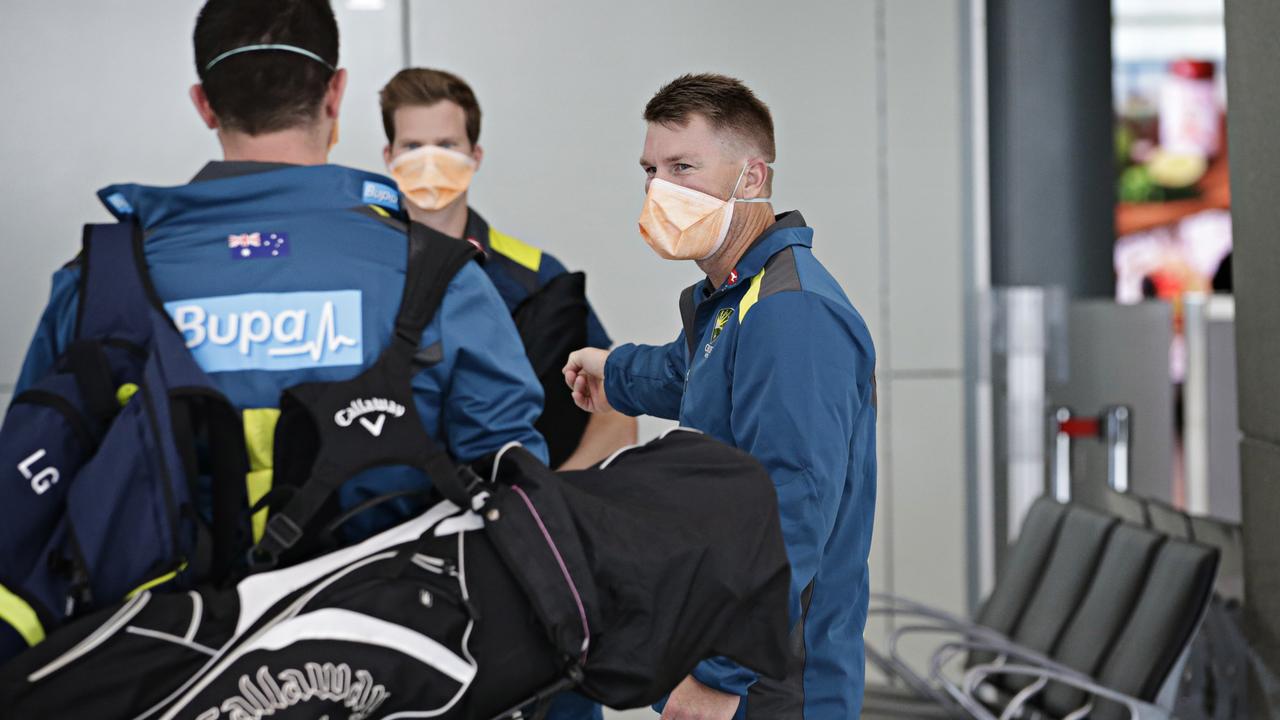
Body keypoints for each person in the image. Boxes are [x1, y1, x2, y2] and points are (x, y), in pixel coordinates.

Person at [14, 0, 548, 540]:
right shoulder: (439, 276)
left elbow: (33, 478)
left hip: (147, 620)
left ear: (204, 104)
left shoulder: (97, 282)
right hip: (391, 617)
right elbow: (516, 497)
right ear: (335, 93)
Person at [563, 74, 878, 719]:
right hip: (726, 643)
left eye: (685, 167)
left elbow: (791, 509)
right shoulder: (737, 298)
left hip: (774, 681)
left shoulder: (792, 313)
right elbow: (696, 377)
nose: (661, 190)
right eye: (650, 170)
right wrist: (614, 372)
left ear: (753, 177)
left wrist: (718, 675)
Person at [378, 68, 636, 470]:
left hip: (511, 504)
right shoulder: (360, 267)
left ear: (474, 156)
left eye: (446, 144)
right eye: (412, 146)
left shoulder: (537, 279)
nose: (429, 161)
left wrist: (548, 499)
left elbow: (616, 405)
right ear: (389, 157)